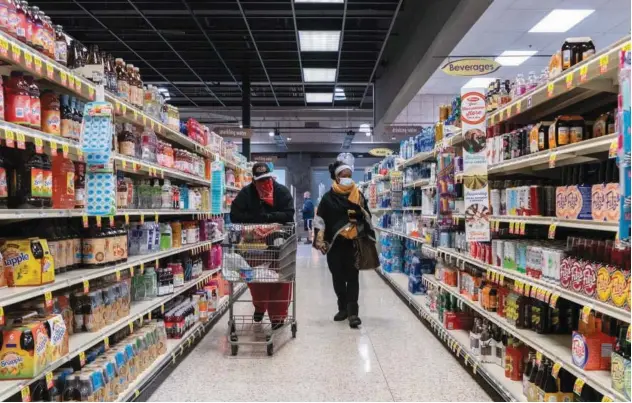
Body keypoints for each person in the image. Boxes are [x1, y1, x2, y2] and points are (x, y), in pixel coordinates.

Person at [230, 162, 295, 329]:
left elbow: (289, 215)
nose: (264, 183)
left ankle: (278, 316)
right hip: (254, 245)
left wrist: (267, 218)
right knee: (256, 279)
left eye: (267, 179)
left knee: (281, 280)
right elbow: (235, 215)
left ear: (271, 177)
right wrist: (258, 220)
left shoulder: (281, 192)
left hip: (280, 246)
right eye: (260, 180)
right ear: (253, 181)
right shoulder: (246, 193)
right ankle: (260, 307)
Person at [312, 161, 375, 328]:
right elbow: (320, 220)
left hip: (353, 243)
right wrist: (320, 240)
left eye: (349, 176)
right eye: (343, 176)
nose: (347, 179)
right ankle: (342, 308)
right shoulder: (327, 198)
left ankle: (353, 312)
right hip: (334, 243)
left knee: (353, 276)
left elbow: (367, 216)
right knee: (337, 276)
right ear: (337, 177)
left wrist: (359, 215)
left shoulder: (358, 195)